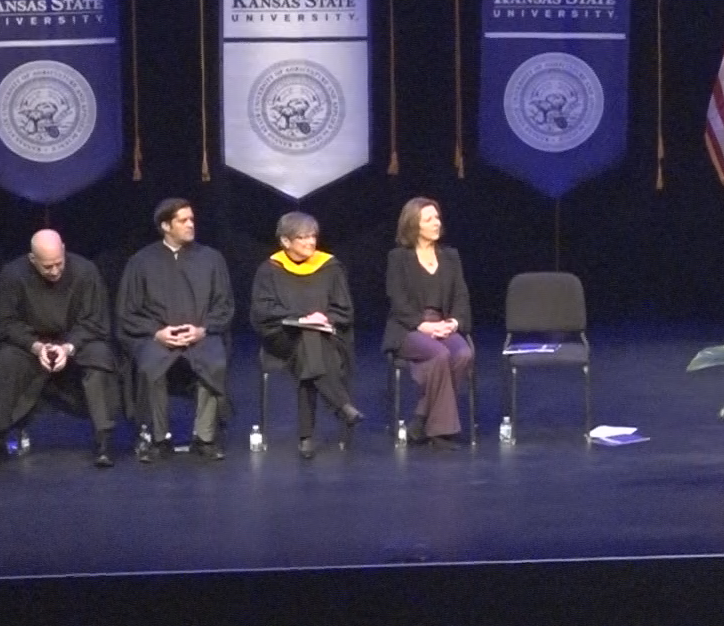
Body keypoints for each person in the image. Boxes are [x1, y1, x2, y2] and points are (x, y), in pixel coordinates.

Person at [0, 230, 120, 469]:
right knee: (5, 359)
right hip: (31, 343)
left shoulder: (86, 271)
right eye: (47, 267)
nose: (54, 271)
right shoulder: (13, 274)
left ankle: (104, 440)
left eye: (58, 264)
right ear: (33, 260)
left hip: (75, 341)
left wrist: (68, 347)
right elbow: (6, 322)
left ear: (63, 249)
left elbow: (94, 321)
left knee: (100, 357)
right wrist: (36, 346)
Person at [116, 198, 235, 462]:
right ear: (165, 225)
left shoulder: (211, 259)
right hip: (158, 336)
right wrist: (157, 332)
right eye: (183, 220)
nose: (191, 224)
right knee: (149, 366)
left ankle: (204, 437)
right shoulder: (141, 261)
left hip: (200, 335)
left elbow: (224, 306)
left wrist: (202, 330)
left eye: (192, 219)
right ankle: (159, 438)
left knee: (215, 362)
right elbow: (128, 311)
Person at [250, 211, 362, 459]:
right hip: (282, 337)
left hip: (324, 337)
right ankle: (340, 405)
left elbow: (344, 310)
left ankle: (307, 436)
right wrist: (301, 319)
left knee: (310, 345)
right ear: (285, 242)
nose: (311, 242)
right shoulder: (270, 269)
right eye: (302, 237)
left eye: (313, 236)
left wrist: (323, 320)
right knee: (307, 340)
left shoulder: (330, 267)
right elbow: (263, 311)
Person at [384, 197, 474, 446]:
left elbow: (461, 295)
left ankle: (422, 417)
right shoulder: (398, 258)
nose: (437, 223)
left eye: (437, 217)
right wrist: (422, 325)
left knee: (463, 354)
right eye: (429, 219)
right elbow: (397, 299)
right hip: (409, 328)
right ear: (414, 225)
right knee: (439, 355)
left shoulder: (450, 256)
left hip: (443, 324)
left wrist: (454, 323)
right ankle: (440, 432)